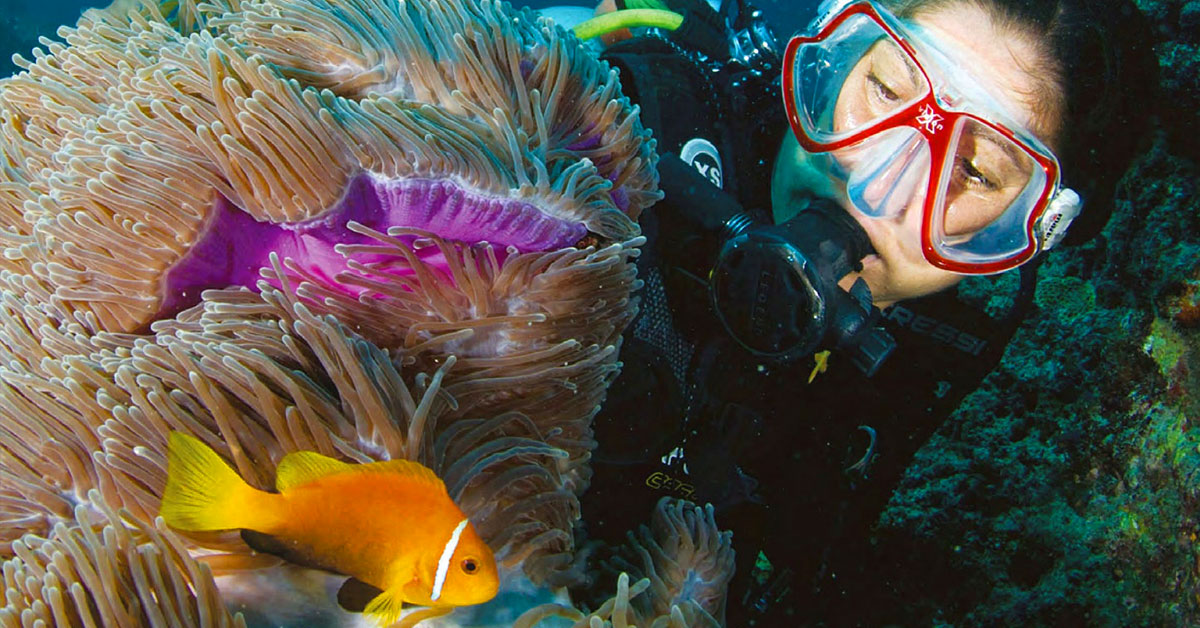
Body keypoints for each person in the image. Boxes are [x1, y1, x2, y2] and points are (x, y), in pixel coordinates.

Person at [569, 0, 1159, 623]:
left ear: (1030, 229)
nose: (872, 187)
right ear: (837, 56)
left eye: (975, 172)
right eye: (884, 89)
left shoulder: (945, 344)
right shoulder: (635, 130)